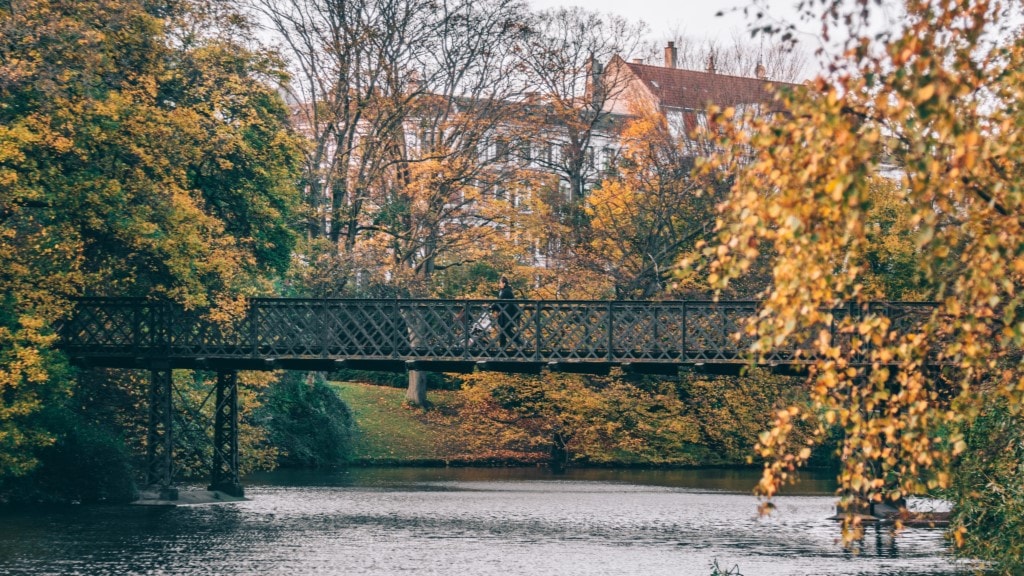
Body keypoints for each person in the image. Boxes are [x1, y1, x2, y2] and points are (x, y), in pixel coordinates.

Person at [490, 275, 520, 347]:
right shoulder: (505, 291)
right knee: (504, 330)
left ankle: (519, 342)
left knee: (505, 330)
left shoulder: (506, 291)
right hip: (506, 314)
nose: (499, 284)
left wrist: (492, 306)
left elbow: (501, 303)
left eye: (500, 283)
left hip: (508, 315)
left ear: (504, 283)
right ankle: (503, 346)